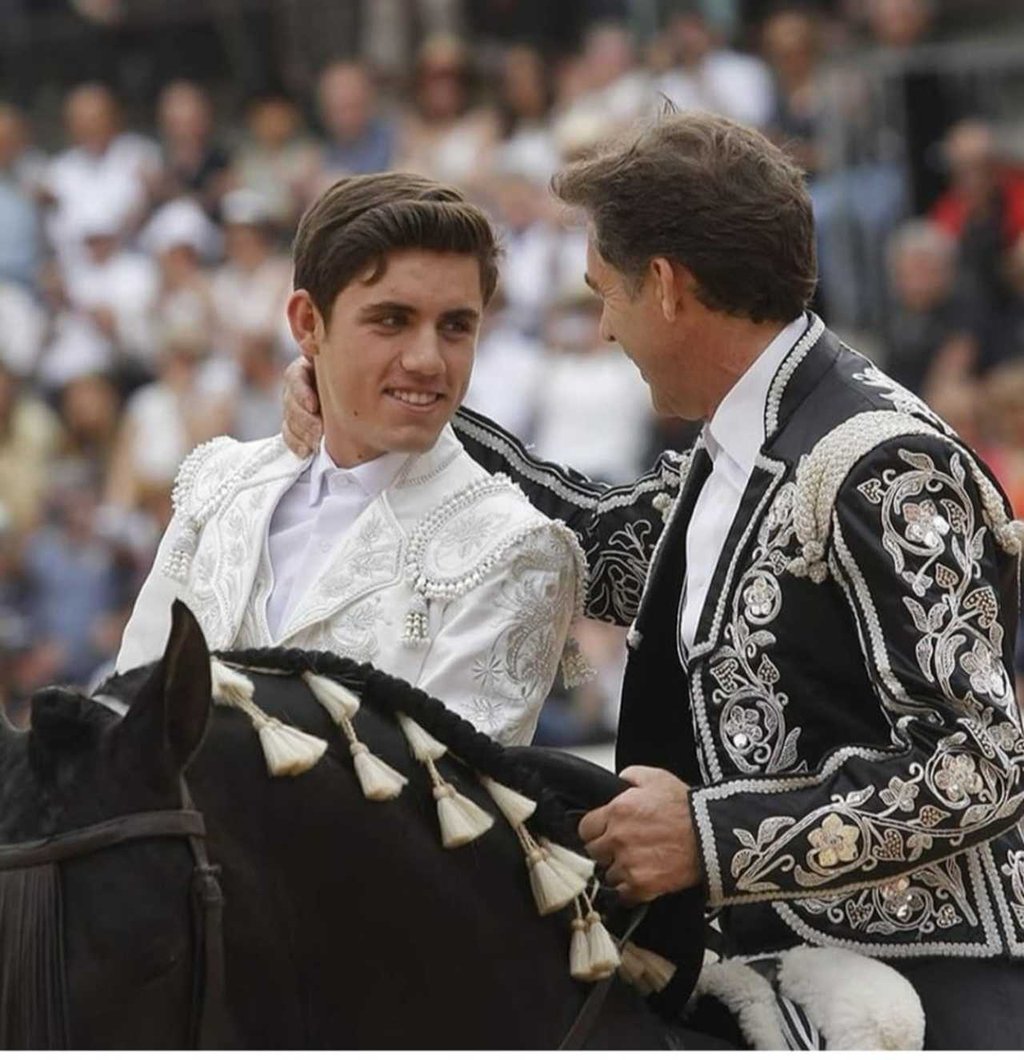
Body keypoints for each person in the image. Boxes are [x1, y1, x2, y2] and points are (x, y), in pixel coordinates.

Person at [282, 113, 1024, 1047]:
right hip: (761, 982)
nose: (603, 327)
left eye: (607, 293)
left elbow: (983, 761)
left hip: (926, 999)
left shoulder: (883, 462)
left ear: (667, 287)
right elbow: (593, 541)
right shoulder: (745, 442)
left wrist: (712, 836)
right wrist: (391, 403)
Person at [117, 173, 585, 747]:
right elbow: (127, 714)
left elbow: (440, 812)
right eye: (392, 320)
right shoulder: (218, 485)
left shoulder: (515, 547)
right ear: (308, 324)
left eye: (456, 327)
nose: (427, 360)